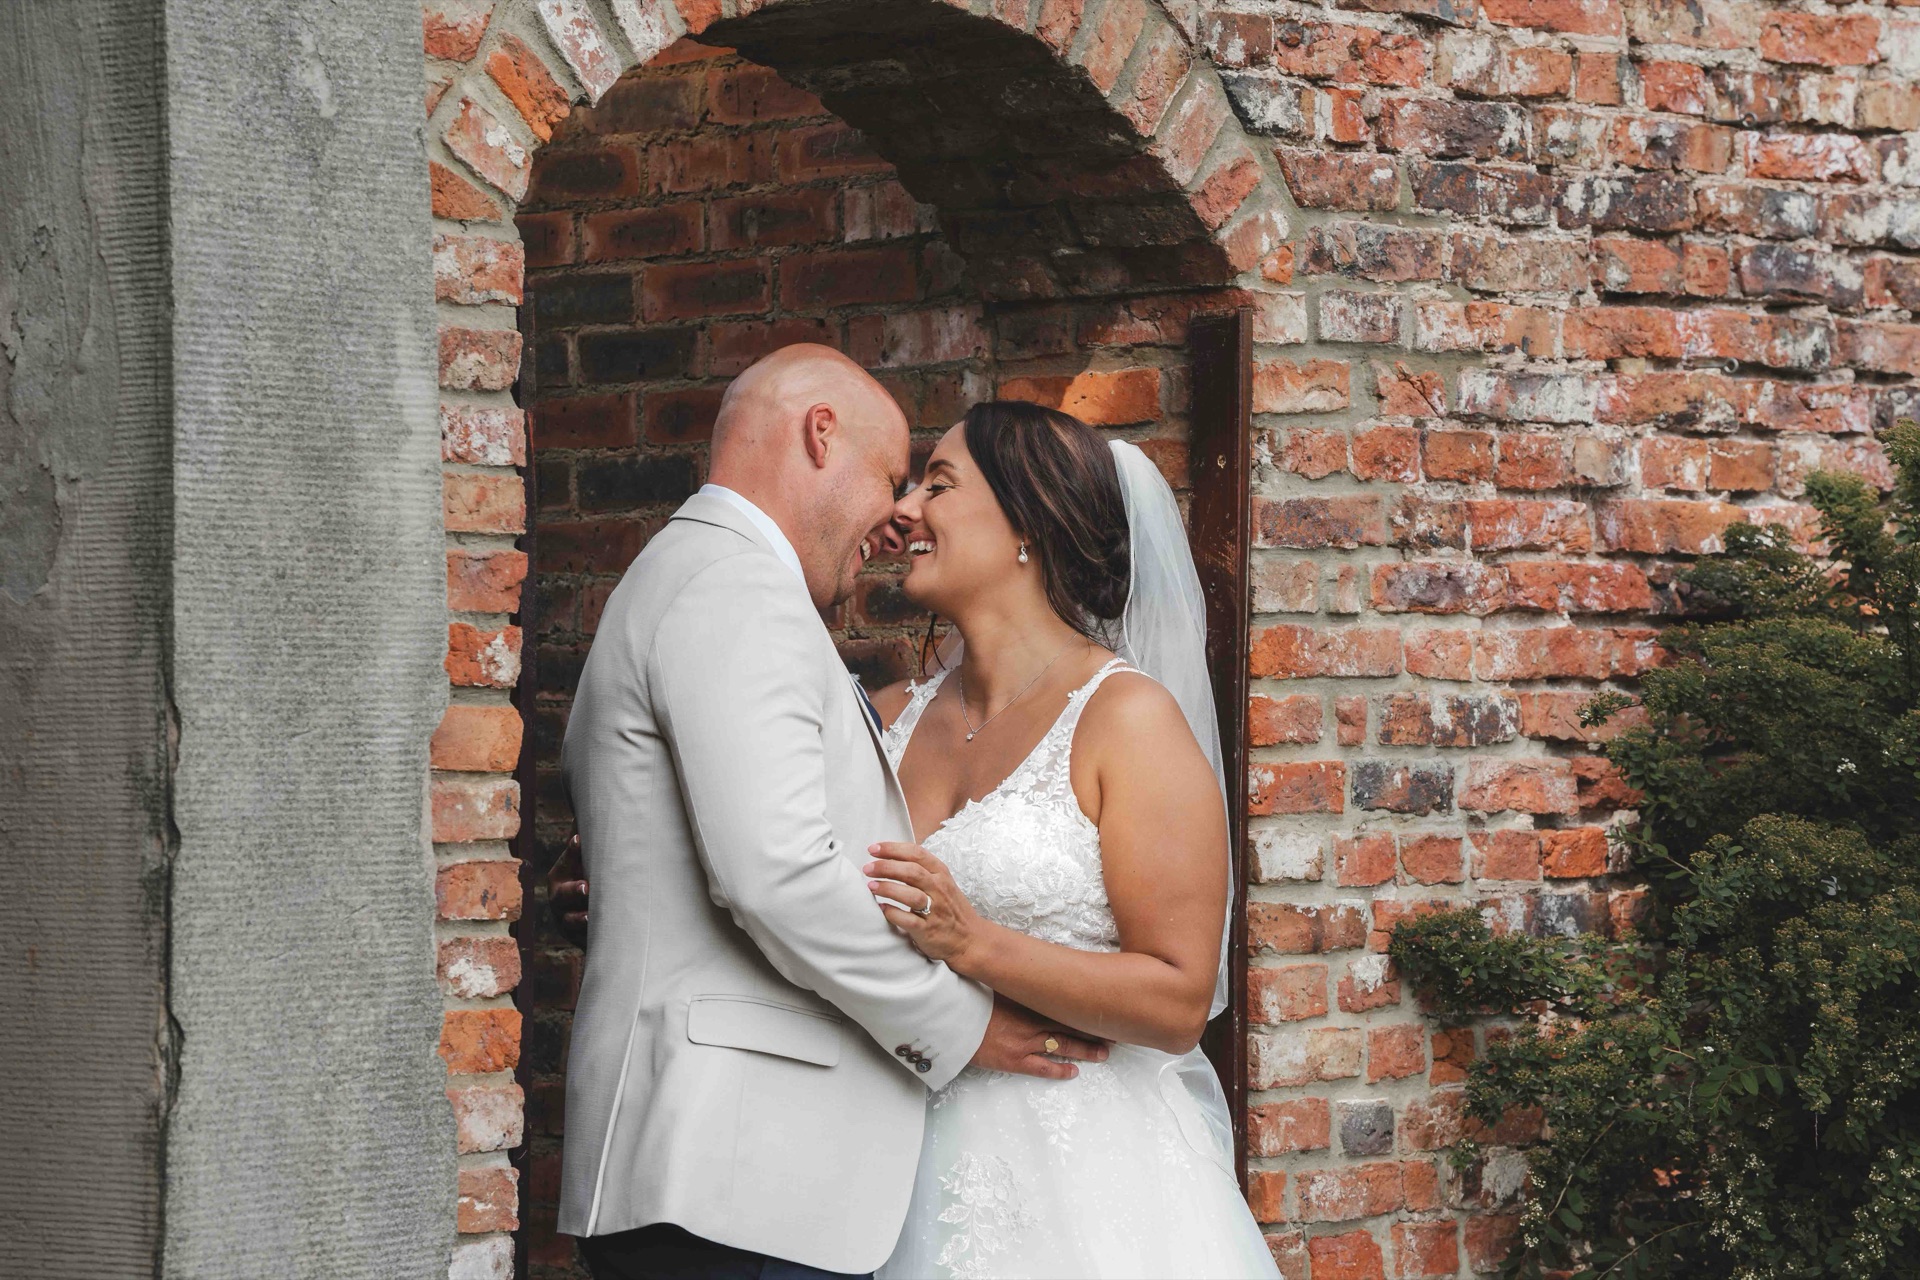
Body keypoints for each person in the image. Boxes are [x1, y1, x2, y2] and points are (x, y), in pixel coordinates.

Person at [554, 346, 1107, 1280]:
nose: (897, 520)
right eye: (892, 479)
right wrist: (962, 1026)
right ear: (820, 436)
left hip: (736, 1179)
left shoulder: (695, 572)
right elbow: (777, 875)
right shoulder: (736, 585)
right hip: (733, 1181)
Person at [863, 401, 1277, 1277]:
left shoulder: (1126, 720)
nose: (904, 509)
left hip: (1078, 1183)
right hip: (876, 1157)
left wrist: (976, 945)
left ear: (1027, 524)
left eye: (938, 485)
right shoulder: (883, 718)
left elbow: (1177, 1000)